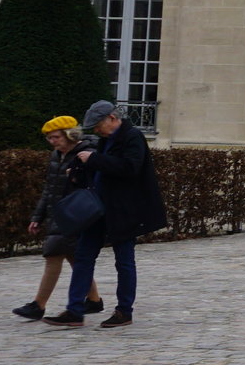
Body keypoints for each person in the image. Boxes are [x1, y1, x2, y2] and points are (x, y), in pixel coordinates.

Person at [45, 101, 165, 330]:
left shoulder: (132, 137)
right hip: (98, 209)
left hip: (124, 210)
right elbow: (103, 171)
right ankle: (75, 310)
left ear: (112, 118)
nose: (96, 131)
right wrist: (81, 171)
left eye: (98, 125)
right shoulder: (106, 139)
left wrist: (94, 160)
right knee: (83, 257)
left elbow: (130, 168)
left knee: (124, 261)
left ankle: (124, 311)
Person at [13, 116, 101, 320]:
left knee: (53, 257)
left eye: (56, 137)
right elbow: (49, 189)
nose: (53, 142)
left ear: (70, 135)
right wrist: (38, 216)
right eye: (50, 138)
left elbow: (91, 186)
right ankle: (94, 300)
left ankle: (38, 305)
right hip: (57, 214)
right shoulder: (56, 156)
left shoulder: (86, 154)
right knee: (74, 259)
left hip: (75, 215)